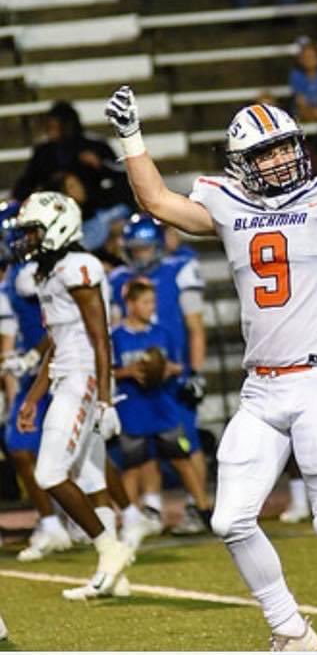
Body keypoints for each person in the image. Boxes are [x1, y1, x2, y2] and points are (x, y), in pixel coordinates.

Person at [105, 56, 317, 650]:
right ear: (242, 164)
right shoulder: (226, 204)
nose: (278, 160)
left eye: (284, 147)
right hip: (261, 388)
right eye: (265, 153)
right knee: (229, 519)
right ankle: (291, 632)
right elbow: (156, 201)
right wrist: (130, 137)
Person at [12, 192, 135, 599]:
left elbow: (100, 340)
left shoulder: (78, 267)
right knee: (89, 475)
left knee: (50, 474)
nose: (26, 239)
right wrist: (32, 396)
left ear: (57, 229)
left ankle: (111, 550)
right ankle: (116, 579)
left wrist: (103, 397)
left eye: (33, 231)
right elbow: (59, 339)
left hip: (84, 378)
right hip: (68, 375)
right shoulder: (50, 273)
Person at [110, 216, 209, 536]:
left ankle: (200, 507)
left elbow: (195, 327)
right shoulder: (118, 279)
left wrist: (195, 371)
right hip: (136, 386)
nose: (140, 255)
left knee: (186, 445)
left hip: (172, 377)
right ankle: (149, 509)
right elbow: (114, 328)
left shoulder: (178, 270)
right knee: (140, 453)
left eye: (144, 249)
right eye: (134, 249)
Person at [0, 258, 70, 562]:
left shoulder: (42, 275)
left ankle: (118, 521)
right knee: (20, 447)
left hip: (69, 368)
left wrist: (31, 356)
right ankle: (53, 523)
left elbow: (61, 329)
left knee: (82, 454)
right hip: (36, 373)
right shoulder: (13, 286)